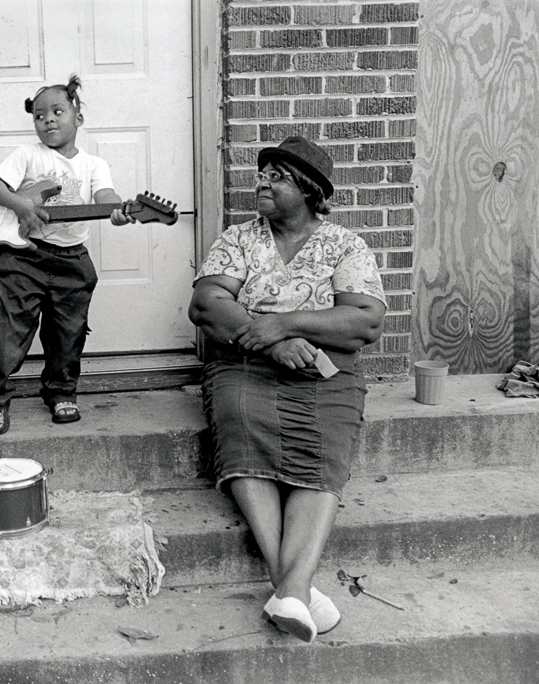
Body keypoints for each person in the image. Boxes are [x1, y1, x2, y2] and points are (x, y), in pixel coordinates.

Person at [188, 136, 386, 642]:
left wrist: (284, 324)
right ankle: (296, 590)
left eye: (276, 176)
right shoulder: (240, 240)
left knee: (323, 441)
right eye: (263, 174)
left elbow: (364, 321)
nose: (262, 182)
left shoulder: (345, 245)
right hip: (244, 363)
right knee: (238, 420)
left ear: (310, 189)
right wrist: (270, 343)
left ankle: (289, 587)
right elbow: (207, 304)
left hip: (323, 371)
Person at [0, 75, 133, 435]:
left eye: (58, 111)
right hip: (24, 257)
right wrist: (21, 206)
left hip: (71, 260)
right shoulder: (29, 155)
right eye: (39, 115)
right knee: (8, 333)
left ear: (78, 117)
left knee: (68, 334)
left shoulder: (94, 164)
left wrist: (120, 209)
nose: (48, 119)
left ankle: (61, 392)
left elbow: (105, 196)